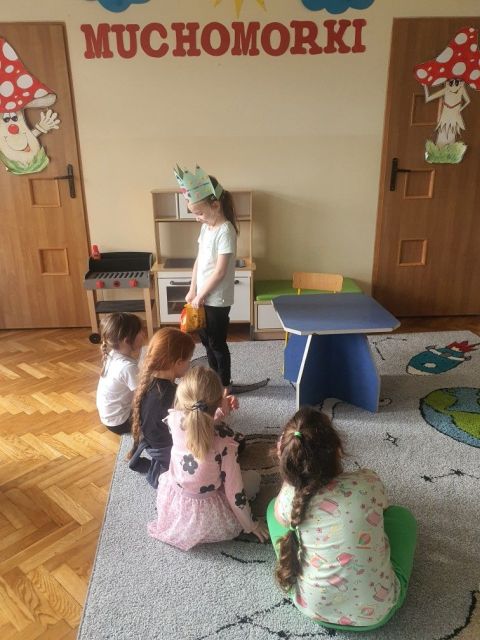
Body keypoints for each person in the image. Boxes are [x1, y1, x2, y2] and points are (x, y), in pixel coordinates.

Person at [267, 407, 417, 632]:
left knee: (274, 511)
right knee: (402, 518)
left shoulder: (289, 499)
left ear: (285, 455)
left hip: (311, 607)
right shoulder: (367, 482)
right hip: (377, 611)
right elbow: (385, 509)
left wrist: (289, 478)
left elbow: (281, 513)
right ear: (338, 450)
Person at [148, 366, 269, 550]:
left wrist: (219, 411)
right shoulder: (225, 442)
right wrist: (251, 525)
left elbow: (198, 421)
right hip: (208, 512)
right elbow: (234, 492)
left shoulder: (174, 419)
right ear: (219, 400)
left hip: (178, 500)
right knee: (254, 479)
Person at [174, 165, 238, 391]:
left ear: (216, 205)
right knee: (206, 342)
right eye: (194, 214)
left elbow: (220, 271)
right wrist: (193, 289)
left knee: (217, 343)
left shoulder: (225, 231)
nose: (197, 219)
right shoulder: (206, 228)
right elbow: (199, 261)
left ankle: (224, 384)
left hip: (217, 299)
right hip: (201, 297)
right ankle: (213, 380)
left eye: (199, 213)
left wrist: (201, 294)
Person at [127, 327, 196, 488]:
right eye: (189, 360)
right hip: (170, 451)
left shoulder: (147, 383)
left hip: (154, 447)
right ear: (178, 362)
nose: (189, 364)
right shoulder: (174, 395)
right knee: (229, 443)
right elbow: (194, 426)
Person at [95, 312, 146, 435]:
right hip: (121, 423)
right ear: (127, 340)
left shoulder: (112, 354)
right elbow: (143, 395)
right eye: (140, 332)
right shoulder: (127, 367)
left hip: (110, 418)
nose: (144, 334)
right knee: (156, 403)